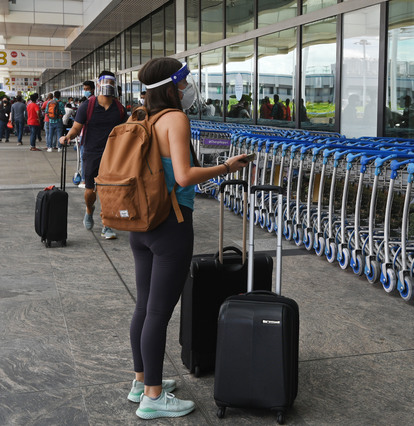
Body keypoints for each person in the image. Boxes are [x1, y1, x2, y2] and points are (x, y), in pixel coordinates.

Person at [124, 57, 249, 420]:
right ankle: (152, 396)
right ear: (172, 86)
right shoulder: (175, 119)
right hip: (171, 225)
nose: (188, 87)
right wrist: (228, 167)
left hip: (142, 223)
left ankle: (140, 381)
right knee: (159, 313)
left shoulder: (141, 116)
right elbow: (183, 175)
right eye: (184, 81)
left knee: (144, 308)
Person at [59, 71, 127, 240]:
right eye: (106, 83)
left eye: (112, 83)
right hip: (91, 152)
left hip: (112, 154)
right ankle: (89, 211)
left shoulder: (119, 108)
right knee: (90, 191)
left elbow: (126, 129)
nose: (108, 87)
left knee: (109, 190)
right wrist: (67, 137)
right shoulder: (87, 106)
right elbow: (76, 128)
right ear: (99, 85)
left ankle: (107, 224)